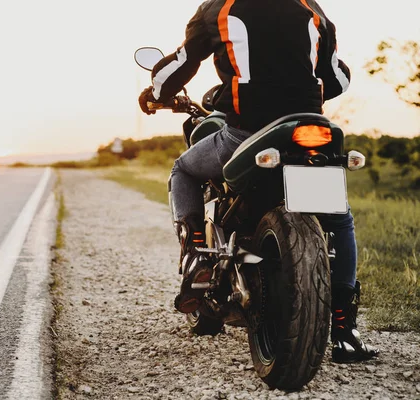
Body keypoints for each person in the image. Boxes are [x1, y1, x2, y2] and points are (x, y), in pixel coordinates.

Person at [138, 0, 378, 363]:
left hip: (245, 131)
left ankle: (198, 257)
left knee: (183, 171)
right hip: (307, 126)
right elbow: (336, 78)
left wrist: (156, 94)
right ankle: (345, 331)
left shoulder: (218, 9)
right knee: (339, 216)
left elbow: (179, 65)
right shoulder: (311, 9)